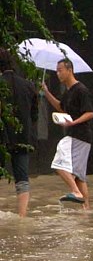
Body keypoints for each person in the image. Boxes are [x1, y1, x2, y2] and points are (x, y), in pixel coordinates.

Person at [40, 58, 93, 209]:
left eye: (60, 70)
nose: (58, 74)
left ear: (69, 70)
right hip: (75, 134)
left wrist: (73, 122)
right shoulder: (69, 92)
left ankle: (76, 192)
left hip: (80, 135)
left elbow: (90, 113)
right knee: (79, 177)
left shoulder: (81, 90)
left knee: (58, 163)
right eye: (56, 71)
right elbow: (61, 107)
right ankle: (86, 210)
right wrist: (46, 92)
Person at [0, 48, 38, 217]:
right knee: (22, 179)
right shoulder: (29, 85)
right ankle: (22, 218)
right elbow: (34, 115)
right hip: (23, 138)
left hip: (2, 137)